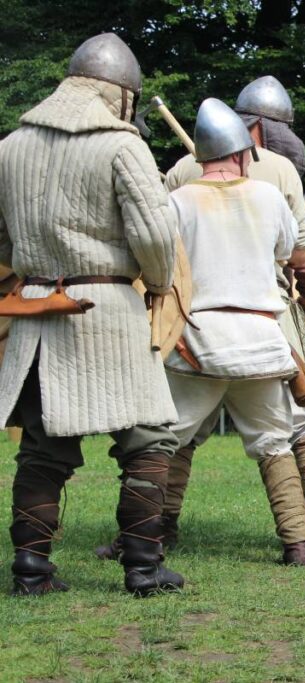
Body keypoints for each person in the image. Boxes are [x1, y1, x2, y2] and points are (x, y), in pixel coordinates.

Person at [149, 77, 305, 561]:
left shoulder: (180, 173)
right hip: (269, 321)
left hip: (193, 327)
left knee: (171, 435)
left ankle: (154, 531)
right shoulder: (280, 173)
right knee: (302, 425)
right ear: (254, 135)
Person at [0, 34, 184, 596]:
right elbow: (155, 236)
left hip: (35, 308)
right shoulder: (122, 145)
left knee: (42, 447)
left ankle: (31, 570)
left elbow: (2, 242)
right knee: (149, 441)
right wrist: (157, 283)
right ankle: (144, 568)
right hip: (109, 310)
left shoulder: (8, 147)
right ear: (121, 95)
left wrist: (35, 265)